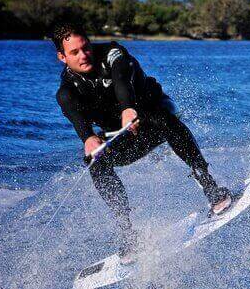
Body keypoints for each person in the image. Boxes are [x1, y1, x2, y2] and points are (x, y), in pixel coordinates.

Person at [52, 23, 232, 260]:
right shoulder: (67, 92)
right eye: (74, 52)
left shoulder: (113, 54)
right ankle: (128, 233)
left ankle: (211, 188)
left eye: (85, 48)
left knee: (162, 118)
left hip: (156, 116)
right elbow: (79, 122)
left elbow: (121, 80)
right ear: (62, 57)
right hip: (125, 137)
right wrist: (88, 139)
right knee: (95, 160)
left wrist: (128, 107)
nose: (83, 55)